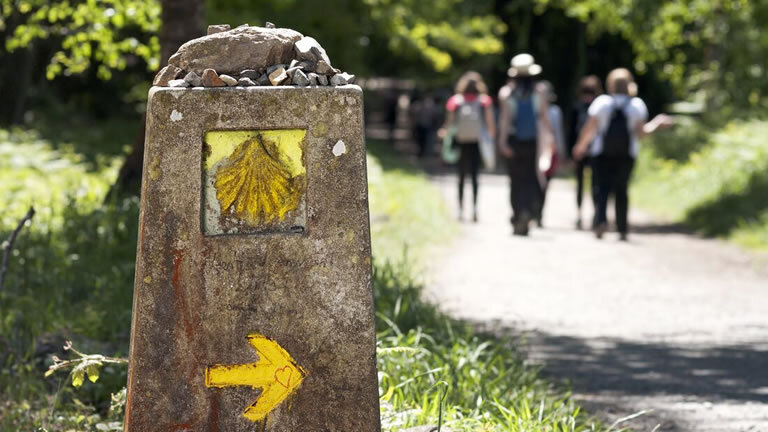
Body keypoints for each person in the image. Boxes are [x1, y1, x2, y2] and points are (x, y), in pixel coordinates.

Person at [573, 68, 673, 241]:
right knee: (622, 189)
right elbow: (641, 133)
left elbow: (590, 129)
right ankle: (622, 228)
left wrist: (580, 146)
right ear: (629, 84)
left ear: (610, 84)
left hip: (601, 153)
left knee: (601, 188)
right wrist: (657, 123)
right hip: (627, 154)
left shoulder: (601, 102)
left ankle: (600, 221)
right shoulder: (636, 105)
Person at [498, 54, 555, 236]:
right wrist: (551, 139)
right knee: (531, 178)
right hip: (533, 141)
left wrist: (502, 142)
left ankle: (517, 215)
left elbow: (505, 121)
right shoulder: (539, 92)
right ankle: (527, 212)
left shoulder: (506, 93)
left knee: (515, 181)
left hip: (514, 141)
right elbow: (544, 118)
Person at [439, 71, 495, 222]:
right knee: (475, 176)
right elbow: (490, 126)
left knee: (461, 177)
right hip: (477, 142)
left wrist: (444, 134)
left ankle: (460, 209)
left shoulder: (455, 101)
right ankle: (475, 209)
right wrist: (491, 139)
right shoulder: (484, 101)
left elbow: (449, 124)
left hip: (461, 141)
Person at [568, 75, 603, 229]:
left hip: (580, 150)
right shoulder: (600, 106)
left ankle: (580, 215)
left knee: (581, 185)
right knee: (596, 184)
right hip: (595, 150)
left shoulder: (578, 106)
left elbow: (571, 131)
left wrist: (572, 152)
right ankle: (595, 215)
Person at [536, 80, 564, 227]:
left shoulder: (554, 112)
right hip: (535, 152)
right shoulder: (533, 110)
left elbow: (557, 134)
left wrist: (559, 153)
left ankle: (539, 214)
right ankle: (534, 213)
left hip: (549, 152)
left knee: (545, 185)